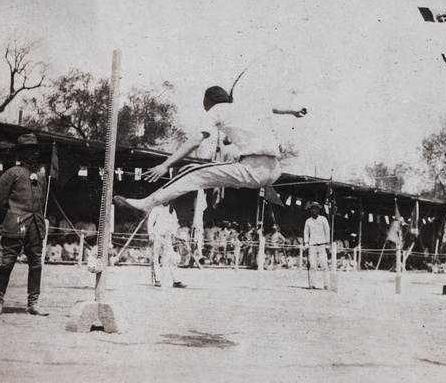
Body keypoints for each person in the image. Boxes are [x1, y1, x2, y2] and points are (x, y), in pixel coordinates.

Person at [114, 85, 306, 215]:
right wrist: (293, 112)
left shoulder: (215, 111)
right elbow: (273, 108)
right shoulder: (250, 107)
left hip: (254, 170)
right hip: (274, 170)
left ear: (208, 101)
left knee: (189, 172)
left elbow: (196, 141)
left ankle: (146, 204)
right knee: (212, 169)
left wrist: (165, 165)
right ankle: (149, 203)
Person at [0, 134, 49, 316]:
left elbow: (42, 199)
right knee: (7, 262)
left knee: (36, 264)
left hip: (35, 227)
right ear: (21, 152)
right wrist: (10, 217)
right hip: (15, 225)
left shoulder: (40, 175)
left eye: (36, 150)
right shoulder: (11, 174)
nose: (35, 153)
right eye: (30, 150)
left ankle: (33, 303)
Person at [147, 203, 186, 288]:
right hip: (158, 235)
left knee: (171, 257)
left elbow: (175, 223)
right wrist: (151, 234)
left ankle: (176, 280)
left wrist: (173, 234)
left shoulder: (172, 210)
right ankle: (157, 279)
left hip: (168, 236)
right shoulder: (156, 209)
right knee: (156, 257)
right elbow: (150, 221)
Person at [303, 202, 331, 290]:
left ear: (318, 210)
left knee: (324, 265)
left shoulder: (323, 219)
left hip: (322, 245)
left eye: (315, 208)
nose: (313, 210)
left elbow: (327, 231)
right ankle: (311, 284)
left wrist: (327, 243)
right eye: (312, 208)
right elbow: (306, 233)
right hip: (312, 245)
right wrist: (306, 243)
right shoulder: (308, 221)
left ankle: (326, 284)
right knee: (312, 265)